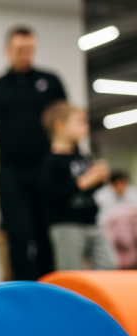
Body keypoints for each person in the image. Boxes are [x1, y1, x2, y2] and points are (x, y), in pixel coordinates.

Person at [0, 26, 67, 280]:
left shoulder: (51, 82)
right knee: (18, 235)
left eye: (30, 50)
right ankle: (23, 290)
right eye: (19, 50)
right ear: (8, 51)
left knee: (45, 234)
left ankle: (47, 289)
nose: (25, 55)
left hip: (45, 171)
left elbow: (65, 122)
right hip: (11, 172)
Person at [40, 101, 115, 270]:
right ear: (60, 126)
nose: (85, 128)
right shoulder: (51, 161)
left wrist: (98, 179)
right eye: (80, 123)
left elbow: (89, 188)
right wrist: (82, 183)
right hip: (66, 226)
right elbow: (50, 195)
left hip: (91, 222)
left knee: (109, 264)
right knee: (71, 270)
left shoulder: (82, 156)